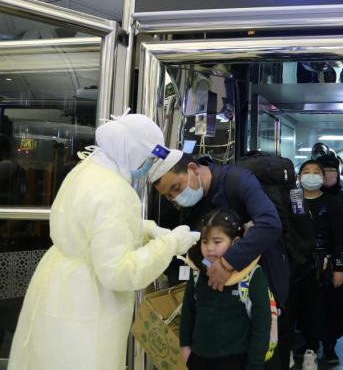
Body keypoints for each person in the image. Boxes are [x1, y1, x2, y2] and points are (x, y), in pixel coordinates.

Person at [8, 114, 199, 370]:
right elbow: (119, 272)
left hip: (58, 283)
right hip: (87, 299)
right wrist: (171, 244)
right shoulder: (114, 192)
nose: (148, 166)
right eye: (150, 158)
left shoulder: (88, 170)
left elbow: (91, 227)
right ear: (133, 150)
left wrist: (146, 229)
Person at [149, 149, 288, 301]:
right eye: (169, 196)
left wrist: (227, 262)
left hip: (261, 285)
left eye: (176, 188)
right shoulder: (189, 206)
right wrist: (207, 266)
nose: (177, 198)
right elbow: (196, 249)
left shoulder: (238, 181)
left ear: (193, 169)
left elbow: (269, 223)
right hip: (222, 295)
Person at [180, 209, 272, 370]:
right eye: (204, 242)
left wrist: (254, 365)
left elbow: (262, 326)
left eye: (217, 242)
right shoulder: (197, 273)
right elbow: (188, 312)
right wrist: (185, 348)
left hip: (236, 360)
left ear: (235, 242)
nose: (209, 248)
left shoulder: (251, 275)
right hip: (199, 359)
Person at [289, 160, 343, 369]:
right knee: (297, 308)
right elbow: (291, 230)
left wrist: (339, 268)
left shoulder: (332, 203)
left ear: (322, 178)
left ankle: (317, 349)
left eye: (316, 172)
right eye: (307, 171)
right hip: (297, 263)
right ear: (299, 176)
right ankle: (300, 346)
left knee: (321, 307)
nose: (311, 175)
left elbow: (339, 239)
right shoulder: (295, 198)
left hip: (323, 265)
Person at [314, 152, 343, 364]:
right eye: (324, 171)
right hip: (312, 261)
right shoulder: (306, 196)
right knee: (313, 304)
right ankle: (311, 342)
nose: (328, 175)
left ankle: (330, 345)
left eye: (332, 170)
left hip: (337, 262)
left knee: (334, 306)